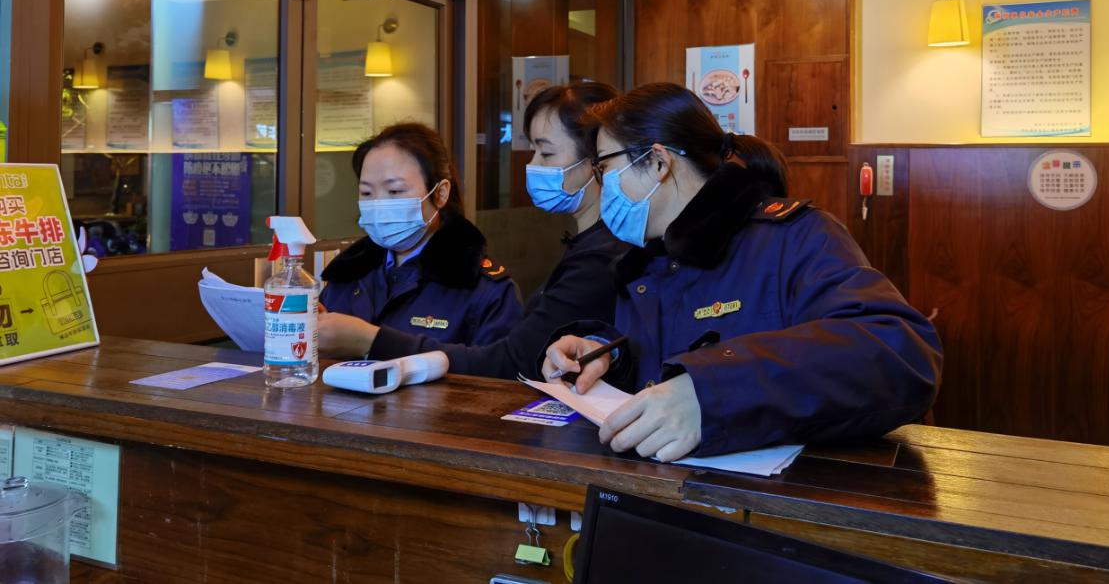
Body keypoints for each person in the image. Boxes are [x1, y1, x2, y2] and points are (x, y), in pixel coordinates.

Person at [542, 82, 942, 462]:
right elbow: (667, 366)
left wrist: (709, 392)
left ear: (658, 162)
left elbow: (900, 354)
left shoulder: (794, 238)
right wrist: (607, 355)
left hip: (776, 500)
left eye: (604, 167)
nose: (601, 185)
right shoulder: (647, 261)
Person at [350, 82, 628, 378]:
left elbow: (512, 362)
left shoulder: (601, 257)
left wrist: (373, 341)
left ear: (598, 160)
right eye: (366, 193)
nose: (532, 164)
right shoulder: (350, 272)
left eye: (546, 153)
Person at [319, 123, 521, 358]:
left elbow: (500, 372)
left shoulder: (485, 289)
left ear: (440, 193)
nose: (378, 204)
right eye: (366, 193)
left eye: (395, 191)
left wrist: (371, 342)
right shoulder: (346, 276)